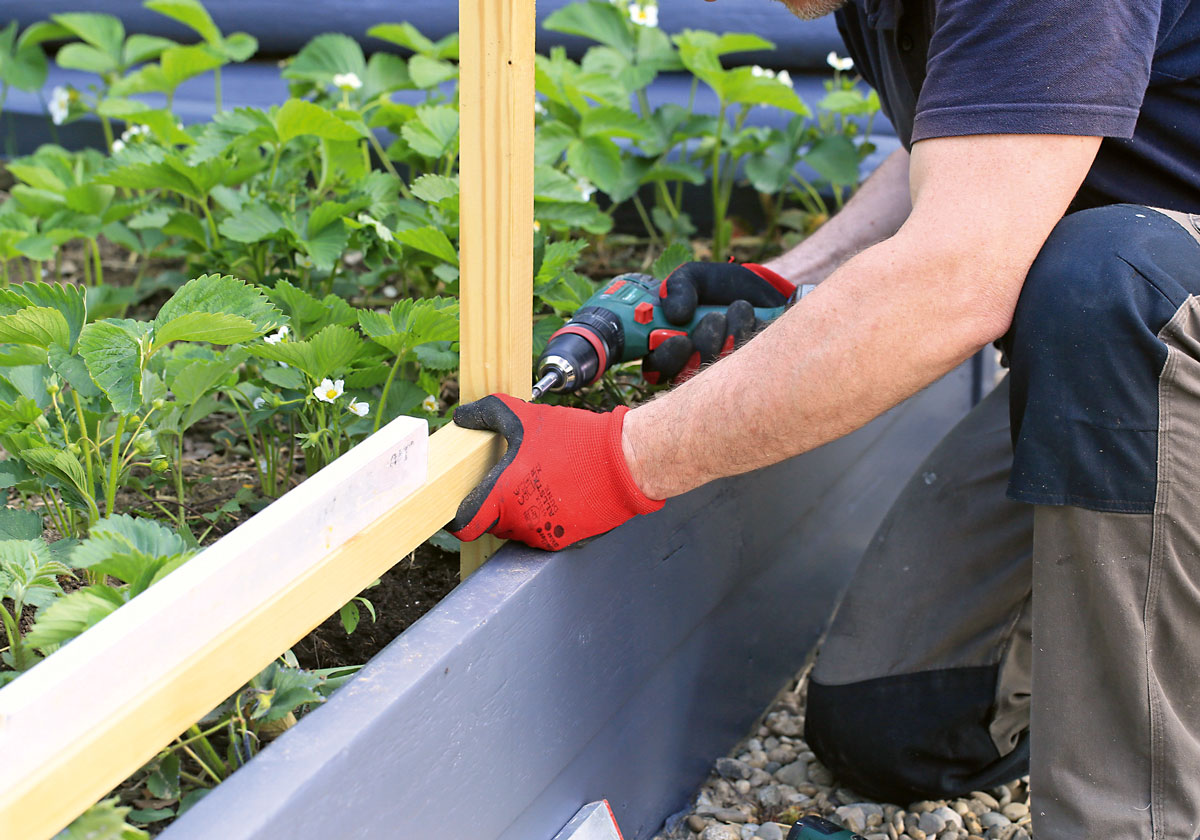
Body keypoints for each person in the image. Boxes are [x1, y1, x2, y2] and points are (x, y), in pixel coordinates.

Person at [450, 0, 1200, 836]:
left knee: (1111, 281)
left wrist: (622, 457)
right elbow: (985, 133)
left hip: (1152, 326)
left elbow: (956, 280)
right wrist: (794, 279)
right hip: (1143, 367)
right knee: (895, 718)